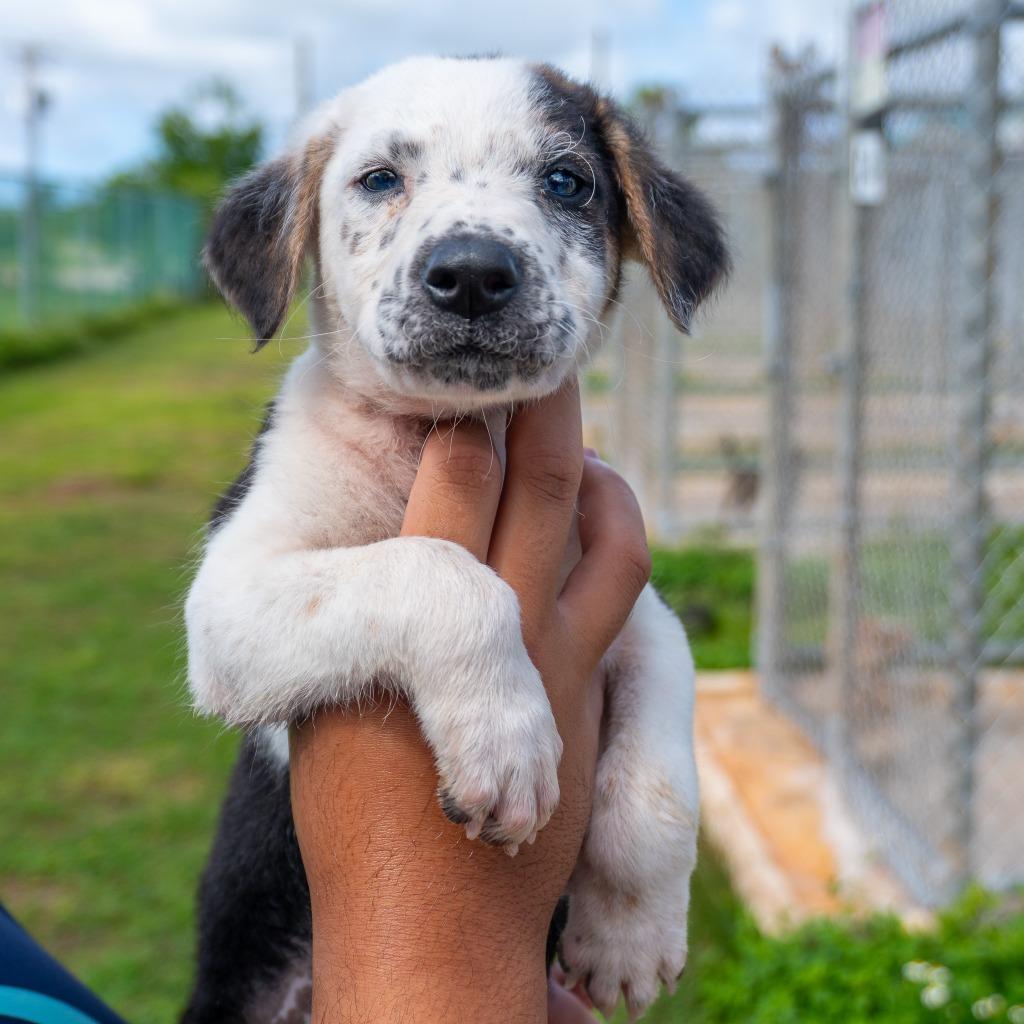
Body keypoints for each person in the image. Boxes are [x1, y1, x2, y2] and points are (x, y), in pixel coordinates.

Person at [290, 381, 652, 1024]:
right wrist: (449, 608)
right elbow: (219, 648)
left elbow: (642, 645)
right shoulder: (309, 436)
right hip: (282, 947)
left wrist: (638, 872)